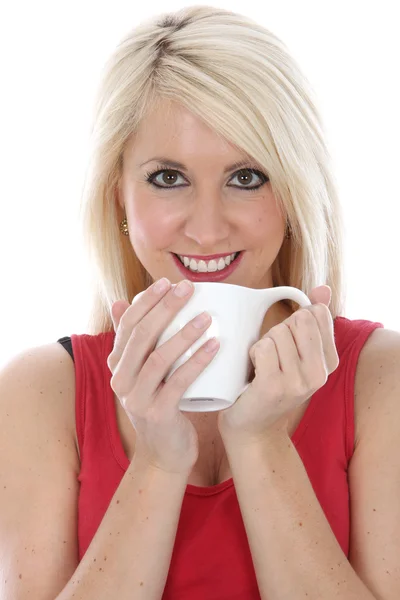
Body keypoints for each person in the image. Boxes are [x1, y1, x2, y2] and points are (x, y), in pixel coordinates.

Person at [1, 5, 399, 600]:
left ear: (293, 192)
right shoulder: (41, 392)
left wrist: (261, 443)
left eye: (246, 177)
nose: (208, 231)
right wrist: (159, 463)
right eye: (168, 177)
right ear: (119, 198)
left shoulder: (379, 379)